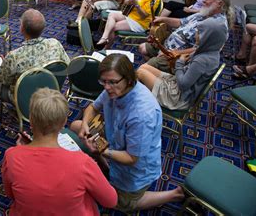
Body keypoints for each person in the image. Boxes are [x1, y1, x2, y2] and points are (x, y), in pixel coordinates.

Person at [70, 54, 184, 213]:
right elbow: (93, 108)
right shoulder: (115, 88)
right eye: (103, 81)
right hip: (116, 142)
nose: (107, 87)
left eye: (112, 82)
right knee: (76, 126)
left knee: (116, 202)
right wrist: (84, 124)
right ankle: (105, 163)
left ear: (129, 79)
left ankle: (173, 194)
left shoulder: (141, 114)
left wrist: (103, 150)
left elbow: (132, 158)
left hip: (136, 166)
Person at [2, 88, 118, 215]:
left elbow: (10, 194)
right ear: (63, 123)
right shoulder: (83, 162)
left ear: (31, 118)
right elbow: (111, 201)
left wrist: (21, 150)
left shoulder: (11, 155)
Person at [0, 9, 70, 127]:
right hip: (51, 92)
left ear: (21, 28)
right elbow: (66, 65)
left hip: (22, 97)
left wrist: (5, 63)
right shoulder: (56, 44)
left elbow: (3, 82)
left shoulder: (14, 56)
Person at [137, 18, 228, 109]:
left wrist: (179, 63)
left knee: (140, 72)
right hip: (177, 85)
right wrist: (176, 61)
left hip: (178, 97)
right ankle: (137, 99)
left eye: (199, 33)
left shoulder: (202, 61)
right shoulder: (210, 51)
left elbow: (183, 85)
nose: (195, 34)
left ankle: (136, 101)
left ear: (207, 37)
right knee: (144, 67)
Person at [138, 0, 232, 73]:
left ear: (220, 4)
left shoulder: (215, 26)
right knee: (142, 47)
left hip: (178, 57)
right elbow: (181, 22)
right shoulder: (204, 13)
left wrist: (176, 53)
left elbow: (199, 50)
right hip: (167, 47)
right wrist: (163, 19)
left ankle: (162, 73)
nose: (203, 0)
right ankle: (158, 74)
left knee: (143, 70)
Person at [96, 0, 161, 48]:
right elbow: (127, 2)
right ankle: (104, 37)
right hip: (130, 16)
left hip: (139, 23)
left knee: (113, 27)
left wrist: (136, 4)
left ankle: (106, 47)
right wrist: (128, 1)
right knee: (111, 15)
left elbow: (144, 16)